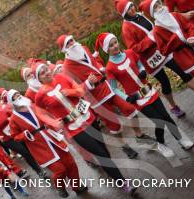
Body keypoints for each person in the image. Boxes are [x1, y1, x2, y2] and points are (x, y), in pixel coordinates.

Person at [32, 62, 136, 195]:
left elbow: (80, 91)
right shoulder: (40, 95)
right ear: (38, 78)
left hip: (88, 118)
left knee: (103, 150)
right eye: (42, 73)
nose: (46, 73)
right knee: (101, 154)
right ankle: (123, 183)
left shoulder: (62, 77)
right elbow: (39, 112)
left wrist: (69, 92)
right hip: (74, 129)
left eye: (46, 69)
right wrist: (52, 122)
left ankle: (112, 172)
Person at [56, 34, 156, 159]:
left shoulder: (84, 48)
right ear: (64, 49)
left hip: (107, 87)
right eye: (68, 43)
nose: (72, 43)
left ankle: (140, 135)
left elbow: (94, 63)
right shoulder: (66, 67)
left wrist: (101, 68)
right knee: (114, 125)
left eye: (71, 40)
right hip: (95, 99)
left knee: (130, 109)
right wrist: (87, 83)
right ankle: (124, 145)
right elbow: (74, 90)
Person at [96, 32, 194, 157]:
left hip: (149, 91)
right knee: (159, 121)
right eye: (111, 45)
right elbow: (114, 88)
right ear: (106, 50)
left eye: (115, 42)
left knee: (166, 117)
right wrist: (127, 97)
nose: (115, 46)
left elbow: (139, 63)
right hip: (137, 99)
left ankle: (181, 139)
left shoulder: (130, 53)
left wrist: (142, 70)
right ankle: (161, 144)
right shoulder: (109, 67)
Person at [113, 0, 194, 118]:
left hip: (162, 49)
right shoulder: (126, 28)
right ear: (124, 13)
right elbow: (133, 48)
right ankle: (173, 106)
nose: (132, 9)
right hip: (150, 60)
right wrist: (151, 38)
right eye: (128, 9)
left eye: (132, 6)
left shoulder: (141, 15)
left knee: (183, 72)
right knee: (165, 82)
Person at [7, 89, 87, 197]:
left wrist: (54, 123)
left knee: (71, 163)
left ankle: (76, 186)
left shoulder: (33, 107)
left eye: (18, 94)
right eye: (15, 96)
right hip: (39, 146)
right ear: (12, 102)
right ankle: (60, 186)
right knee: (60, 169)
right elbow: (15, 137)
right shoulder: (13, 119)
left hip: (51, 137)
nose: (19, 96)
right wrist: (25, 135)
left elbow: (46, 116)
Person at [139, 0, 194, 106]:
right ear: (152, 13)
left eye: (159, 4)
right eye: (156, 7)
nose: (160, 7)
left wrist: (192, 37)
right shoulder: (157, 31)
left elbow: (189, 26)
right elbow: (163, 50)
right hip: (184, 57)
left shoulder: (175, 15)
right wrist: (178, 39)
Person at [0, 99, 45, 178]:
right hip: (8, 140)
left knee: (29, 150)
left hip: (17, 134)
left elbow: (15, 116)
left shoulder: (4, 111)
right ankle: (38, 170)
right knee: (24, 152)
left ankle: (41, 164)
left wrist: (11, 119)